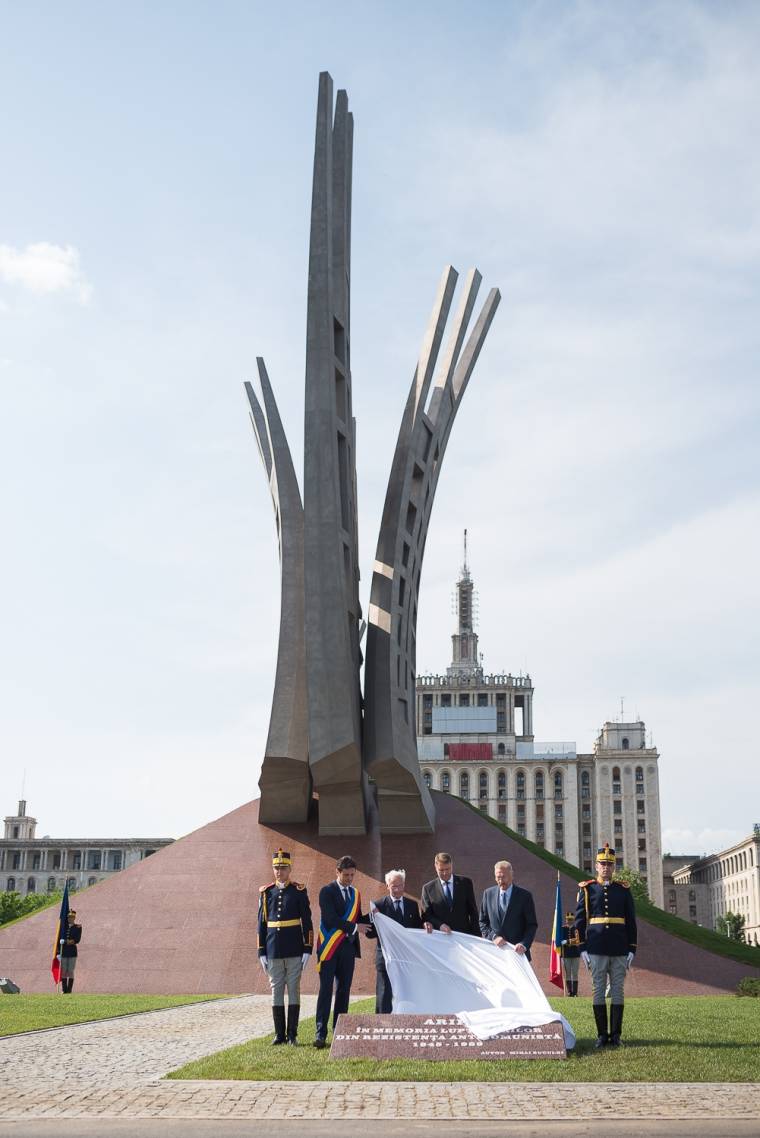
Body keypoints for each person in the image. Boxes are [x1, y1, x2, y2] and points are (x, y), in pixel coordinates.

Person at [575, 842, 637, 1048]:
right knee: (598, 990)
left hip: (619, 948)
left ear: (614, 867)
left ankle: (616, 1035)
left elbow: (631, 920)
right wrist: (582, 948)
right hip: (597, 948)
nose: (606, 868)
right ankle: (602, 1035)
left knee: (618, 990)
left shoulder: (623, 890)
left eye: (610, 864)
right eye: (602, 864)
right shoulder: (587, 889)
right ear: (596, 866)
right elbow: (579, 921)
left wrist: (632, 948)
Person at [258, 848, 313, 1045]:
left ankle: (292, 1035)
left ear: (290, 869)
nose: (279, 871)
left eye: (283, 868)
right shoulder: (266, 893)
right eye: (276, 868)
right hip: (273, 950)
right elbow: (262, 924)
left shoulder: (298, 891)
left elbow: (307, 922)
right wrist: (261, 950)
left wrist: (307, 949)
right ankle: (279, 1035)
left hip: (294, 949)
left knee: (294, 990)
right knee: (276, 990)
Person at [314, 855, 370, 1048]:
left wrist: (374, 915)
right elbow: (330, 919)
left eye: (352, 875)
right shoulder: (326, 891)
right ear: (337, 872)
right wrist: (355, 928)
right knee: (326, 990)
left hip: (347, 948)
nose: (349, 878)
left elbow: (358, 917)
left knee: (344, 990)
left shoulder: (356, 893)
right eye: (346, 875)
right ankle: (320, 1034)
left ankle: (340, 1030)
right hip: (329, 948)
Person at [364, 868, 423, 1013]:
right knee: (384, 994)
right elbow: (369, 934)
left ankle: (407, 1024)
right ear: (387, 886)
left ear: (404, 885)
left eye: (399, 885)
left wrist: (426, 925)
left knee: (408, 995)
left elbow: (417, 929)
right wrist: (373, 918)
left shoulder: (412, 905)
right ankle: (382, 1026)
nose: (397, 889)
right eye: (393, 886)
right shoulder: (379, 905)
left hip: (406, 959)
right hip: (386, 959)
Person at [478, 860, 538, 959]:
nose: (501, 881)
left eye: (503, 877)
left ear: (512, 875)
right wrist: (494, 937)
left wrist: (524, 944)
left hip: (518, 953)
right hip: (495, 954)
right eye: (498, 877)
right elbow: (483, 922)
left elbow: (531, 925)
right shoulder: (488, 894)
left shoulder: (525, 896)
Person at [420, 852, 480, 937]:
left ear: (452, 865)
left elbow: (473, 911)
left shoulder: (465, 883)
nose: (445, 873)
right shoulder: (428, 888)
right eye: (441, 870)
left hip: (464, 935)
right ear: (435, 867)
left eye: (447, 869)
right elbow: (427, 915)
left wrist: (477, 935)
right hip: (441, 937)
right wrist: (440, 925)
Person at [60, 909, 82, 994]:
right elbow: (59, 939)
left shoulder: (78, 927)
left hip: (72, 951)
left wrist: (65, 941)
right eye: (69, 917)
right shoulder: (63, 928)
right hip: (64, 951)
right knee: (64, 971)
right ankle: (64, 989)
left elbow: (77, 940)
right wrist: (59, 951)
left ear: (74, 918)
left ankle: (69, 990)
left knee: (70, 971)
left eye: (72, 917)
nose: (70, 919)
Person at [560, 909, 581, 996]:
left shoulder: (576, 929)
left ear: (573, 920)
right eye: (568, 919)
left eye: (571, 919)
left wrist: (567, 941)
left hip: (575, 954)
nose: (569, 921)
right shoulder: (562, 929)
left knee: (575, 973)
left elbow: (577, 941)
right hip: (566, 954)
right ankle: (570, 992)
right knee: (568, 973)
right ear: (566, 920)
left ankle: (575, 992)